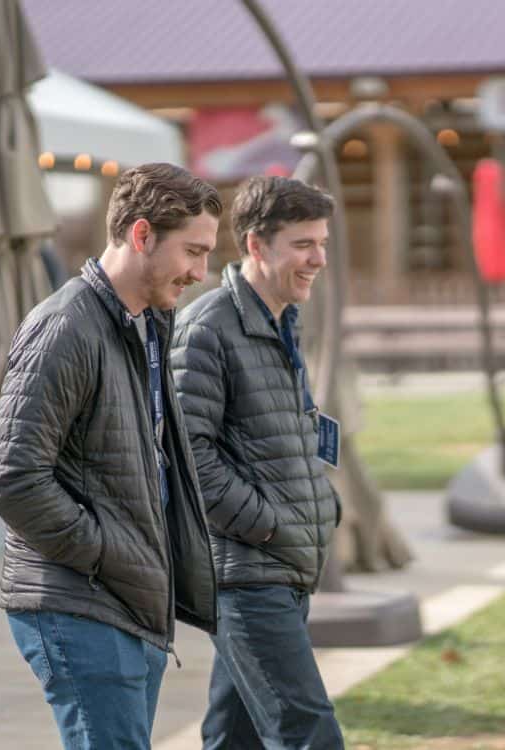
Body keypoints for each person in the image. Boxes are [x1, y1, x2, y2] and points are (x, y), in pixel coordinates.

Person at [0, 163, 221, 749]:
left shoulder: (149, 323)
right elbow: (11, 479)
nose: (201, 272)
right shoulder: (65, 328)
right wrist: (111, 552)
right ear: (142, 236)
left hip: (126, 601)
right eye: (193, 251)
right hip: (81, 603)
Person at [170, 175, 344, 749]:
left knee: (232, 736)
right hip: (248, 575)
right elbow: (186, 457)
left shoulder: (281, 320)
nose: (318, 258)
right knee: (309, 732)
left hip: (285, 566)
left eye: (321, 243)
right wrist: (269, 523)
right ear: (254, 245)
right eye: (303, 244)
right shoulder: (206, 328)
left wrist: (322, 507)